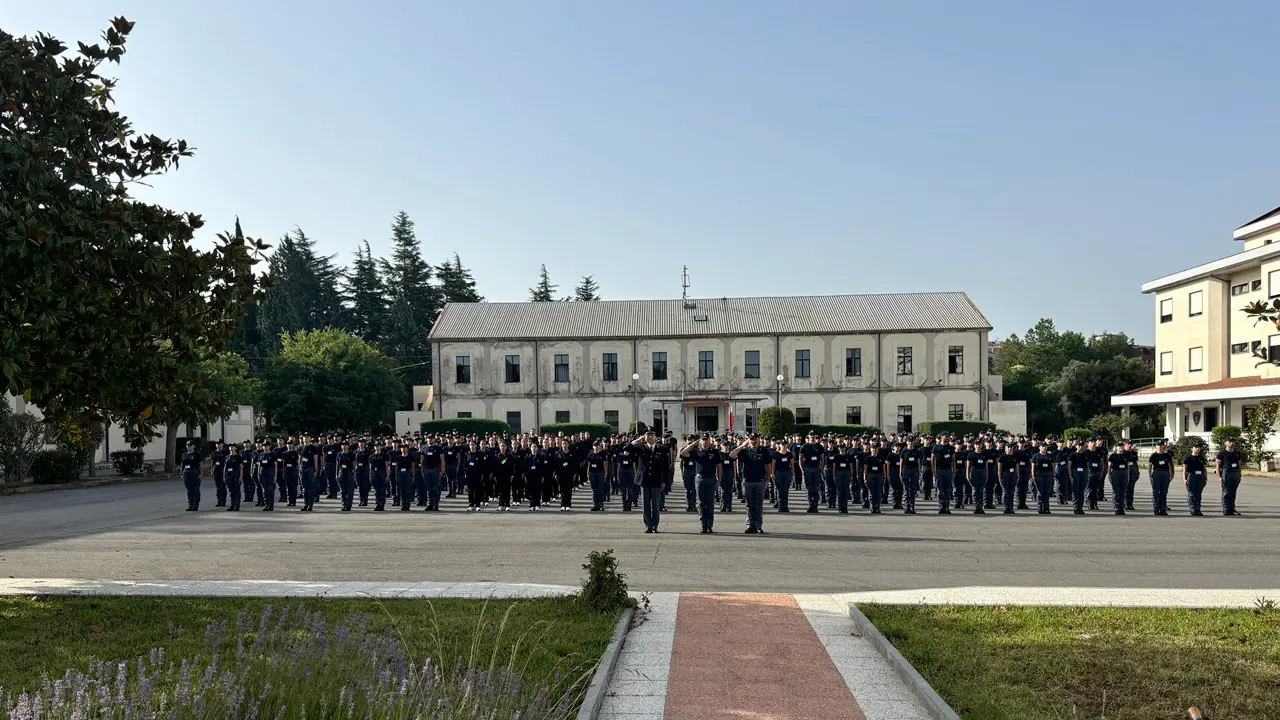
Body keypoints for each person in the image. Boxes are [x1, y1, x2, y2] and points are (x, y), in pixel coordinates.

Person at [680, 435, 722, 533]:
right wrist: (693, 444)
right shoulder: (696, 452)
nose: (705, 442)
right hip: (699, 479)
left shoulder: (714, 452)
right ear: (700, 441)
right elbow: (683, 453)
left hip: (711, 479)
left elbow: (719, 466)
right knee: (700, 502)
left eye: (706, 440)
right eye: (703, 440)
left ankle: (709, 525)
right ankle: (703, 524)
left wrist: (719, 479)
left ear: (709, 441)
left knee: (710, 503)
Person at [730, 436, 769, 533]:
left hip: (760, 481)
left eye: (755, 439)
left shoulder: (764, 451)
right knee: (749, 505)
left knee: (758, 505)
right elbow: (732, 455)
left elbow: (768, 466)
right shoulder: (744, 451)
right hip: (747, 481)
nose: (753, 441)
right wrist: (742, 445)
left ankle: (758, 525)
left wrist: (767, 480)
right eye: (751, 440)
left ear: (758, 440)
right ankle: (750, 525)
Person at [634, 430, 670, 533]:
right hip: (644, 480)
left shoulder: (662, 449)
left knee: (655, 504)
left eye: (652, 435)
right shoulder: (641, 448)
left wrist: (664, 481)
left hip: (656, 480)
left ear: (656, 437)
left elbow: (665, 467)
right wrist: (638, 440)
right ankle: (648, 525)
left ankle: (655, 525)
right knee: (645, 504)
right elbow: (627, 448)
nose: (649, 437)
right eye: (647, 435)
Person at [1216, 438, 1243, 516]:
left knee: (1233, 492)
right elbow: (1217, 465)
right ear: (1225, 443)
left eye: (1233, 442)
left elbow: (1239, 464)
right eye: (1230, 442)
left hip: (1235, 473)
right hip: (1226, 472)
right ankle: (1226, 509)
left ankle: (1232, 508)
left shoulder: (1237, 453)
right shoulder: (1222, 453)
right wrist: (1219, 476)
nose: (1232, 443)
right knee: (1226, 492)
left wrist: (1239, 474)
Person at [799, 434, 825, 513]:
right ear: (808, 438)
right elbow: (800, 458)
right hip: (807, 469)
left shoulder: (819, 447)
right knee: (809, 488)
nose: (813, 438)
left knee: (816, 488)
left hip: (816, 468)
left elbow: (822, 458)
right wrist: (802, 470)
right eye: (811, 437)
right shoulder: (804, 447)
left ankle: (815, 506)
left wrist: (821, 468)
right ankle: (810, 505)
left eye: (814, 437)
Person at [1148, 440, 1173, 516]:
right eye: (1158, 445)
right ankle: (1156, 508)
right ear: (1156, 446)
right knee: (1156, 492)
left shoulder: (1167, 455)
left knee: (1164, 492)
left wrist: (1170, 474)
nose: (1159, 447)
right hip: (1157, 473)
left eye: (1161, 445)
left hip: (1165, 473)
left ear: (1163, 446)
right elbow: (1149, 467)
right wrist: (1150, 477)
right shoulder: (1153, 456)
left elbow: (1169, 466)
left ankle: (1163, 509)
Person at [770, 440, 795, 513]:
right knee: (780, 490)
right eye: (782, 444)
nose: (783, 446)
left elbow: (792, 464)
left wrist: (792, 472)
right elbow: (773, 465)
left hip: (787, 473)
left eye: (785, 444)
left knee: (785, 490)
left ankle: (785, 506)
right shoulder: (776, 454)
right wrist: (772, 473)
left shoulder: (789, 454)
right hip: (778, 473)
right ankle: (781, 506)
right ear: (779, 445)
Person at [1183, 444, 1207, 516]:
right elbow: (1184, 469)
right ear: (1192, 448)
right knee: (1191, 493)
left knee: (1198, 494)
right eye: (1196, 447)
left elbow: (1204, 469)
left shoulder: (1201, 458)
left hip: (1200, 476)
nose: (1198, 448)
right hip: (1191, 475)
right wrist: (1184, 479)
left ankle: (1198, 509)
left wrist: (1205, 478)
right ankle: (1192, 509)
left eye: (1199, 447)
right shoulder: (1188, 458)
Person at [932, 439, 954, 514]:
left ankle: (947, 506)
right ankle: (941, 506)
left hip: (948, 470)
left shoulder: (950, 448)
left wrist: (954, 471)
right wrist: (934, 471)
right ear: (941, 437)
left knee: (948, 490)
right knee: (940, 490)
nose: (946, 438)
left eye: (947, 436)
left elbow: (953, 460)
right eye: (945, 436)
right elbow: (932, 459)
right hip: (939, 470)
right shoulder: (936, 447)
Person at [1031, 442, 1054, 515]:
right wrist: (1033, 476)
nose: (1044, 447)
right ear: (1039, 447)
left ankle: (1046, 508)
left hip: (1048, 475)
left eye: (1045, 446)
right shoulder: (1035, 456)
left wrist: (1053, 475)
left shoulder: (1049, 456)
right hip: (1039, 475)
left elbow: (1053, 466)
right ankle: (1040, 508)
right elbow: (1033, 467)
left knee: (1046, 492)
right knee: (1040, 492)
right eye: (1042, 446)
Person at [180, 441, 204, 512]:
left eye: (190, 445)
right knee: (189, 490)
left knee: (195, 489)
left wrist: (201, 473)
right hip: (186, 473)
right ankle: (190, 504)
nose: (189, 447)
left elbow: (201, 464)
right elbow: (182, 465)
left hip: (194, 472)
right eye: (187, 445)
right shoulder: (184, 455)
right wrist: (181, 474)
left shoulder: (197, 454)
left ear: (193, 446)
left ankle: (195, 505)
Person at [1107, 443, 1130, 515]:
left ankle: (1121, 508)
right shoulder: (1113, 456)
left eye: (1122, 446)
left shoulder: (1126, 455)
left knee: (1122, 491)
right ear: (1116, 447)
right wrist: (1109, 475)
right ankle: (1116, 508)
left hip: (1124, 473)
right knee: (1116, 491)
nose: (1121, 448)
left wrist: (1128, 475)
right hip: (1115, 473)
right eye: (1119, 446)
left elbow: (1128, 466)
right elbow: (1109, 466)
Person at [1068, 442, 1089, 515]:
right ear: (1076, 446)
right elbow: (1069, 466)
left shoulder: (1085, 455)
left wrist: (1087, 474)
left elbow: (1087, 465)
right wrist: (1070, 476)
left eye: (1081, 445)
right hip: (1075, 471)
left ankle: (1080, 507)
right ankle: (1076, 507)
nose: (1080, 447)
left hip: (1083, 472)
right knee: (1075, 490)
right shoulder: (1073, 455)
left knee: (1082, 490)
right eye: (1079, 445)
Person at [587, 441, 609, 511]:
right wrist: (587, 473)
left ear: (599, 446)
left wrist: (605, 473)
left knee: (600, 490)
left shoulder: (602, 454)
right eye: (595, 445)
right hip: (592, 473)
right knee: (594, 490)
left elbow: (605, 463)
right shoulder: (590, 455)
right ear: (593, 447)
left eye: (597, 445)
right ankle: (595, 505)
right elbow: (588, 465)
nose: (596, 447)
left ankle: (601, 505)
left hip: (600, 473)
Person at [998, 444, 1018, 514]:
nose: (1009, 449)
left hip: (1013, 474)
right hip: (1005, 474)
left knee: (1011, 492)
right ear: (1005, 448)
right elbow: (999, 469)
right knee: (1005, 492)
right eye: (1008, 447)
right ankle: (1006, 508)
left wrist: (1017, 475)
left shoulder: (1014, 456)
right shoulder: (1002, 457)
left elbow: (1016, 466)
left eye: (1011, 447)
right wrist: (1000, 477)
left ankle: (1011, 508)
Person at [258, 440, 278, 512]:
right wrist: (258, 474)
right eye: (264, 445)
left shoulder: (272, 455)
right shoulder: (261, 455)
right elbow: (259, 465)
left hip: (270, 472)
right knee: (264, 490)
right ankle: (266, 504)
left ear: (269, 446)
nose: (265, 447)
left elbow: (275, 465)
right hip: (262, 472)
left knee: (270, 489)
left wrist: (275, 475)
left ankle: (271, 505)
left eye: (266, 445)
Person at [966, 442, 986, 514]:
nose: (978, 445)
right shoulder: (971, 454)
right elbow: (968, 466)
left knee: (980, 491)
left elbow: (986, 466)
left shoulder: (984, 454)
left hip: (982, 472)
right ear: (974, 445)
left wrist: (986, 475)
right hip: (974, 471)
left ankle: (980, 507)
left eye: (979, 444)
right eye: (976, 444)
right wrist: (967, 475)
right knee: (975, 490)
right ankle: (975, 507)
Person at [337, 441, 357, 511]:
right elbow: (337, 465)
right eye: (343, 445)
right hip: (341, 472)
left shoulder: (351, 454)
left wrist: (354, 473)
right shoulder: (339, 454)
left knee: (349, 490)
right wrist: (336, 474)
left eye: (345, 445)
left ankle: (349, 505)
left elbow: (354, 464)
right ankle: (344, 504)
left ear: (348, 446)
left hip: (349, 472)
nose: (344, 446)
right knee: (342, 490)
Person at [224, 444, 243, 511]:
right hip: (228, 475)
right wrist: (224, 476)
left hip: (236, 474)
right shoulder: (227, 457)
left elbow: (241, 467)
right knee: (231, 491)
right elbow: (225, 467)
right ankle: (232, 505)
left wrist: (240, 476)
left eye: (233, 446)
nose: (231, 447)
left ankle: (237, 505)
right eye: (230, 446)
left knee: (236, 491)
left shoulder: (238, 457)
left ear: (235, 448)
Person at [370, 441, 388, 511]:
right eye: (375, 446)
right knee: (376, 489)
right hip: (374, 472)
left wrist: (387, 474)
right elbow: (370, 467)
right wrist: (370, 476)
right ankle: (378, 503)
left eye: (378, 446)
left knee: (382, 489)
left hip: (382, 472)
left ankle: (382, 504)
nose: (377, 447)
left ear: (380, 447)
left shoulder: (384, 455)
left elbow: (386, 465)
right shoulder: (371, 456)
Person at [210, 441, 228, 508]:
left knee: (223, 486)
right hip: (216, 470)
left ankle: (223, 501)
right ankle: (219, 500)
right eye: (217, 444)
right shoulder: (214, 452)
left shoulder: (225, 452)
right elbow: (212, 462)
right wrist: (211, 470)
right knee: (218, 486)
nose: (218, 445)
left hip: (222, 470)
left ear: (222, 444)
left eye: (219, 444)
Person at [355, 440, 371, 507]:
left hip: (365, 470)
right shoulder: (356, 452)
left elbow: (369, 462)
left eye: (362, 442)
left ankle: (365, 500)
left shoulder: (367, 452)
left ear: (364, 443)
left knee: (365, 486)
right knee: (359, 486)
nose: (361, 444)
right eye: (360, 442)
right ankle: (361, 499)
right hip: (358, 470)